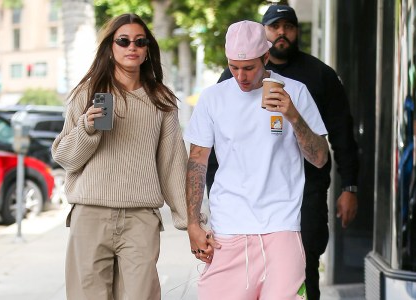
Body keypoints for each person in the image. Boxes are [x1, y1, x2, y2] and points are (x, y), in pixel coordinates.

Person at [207, 5, 359, 300]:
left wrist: (349, 186)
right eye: (274, 26)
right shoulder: (234, 76)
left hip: (307, 196)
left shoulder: (318, 77)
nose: (281, 33)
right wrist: (216, 202)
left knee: (304, 275)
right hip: (245, 208)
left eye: (288, 26)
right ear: (262, 37)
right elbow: (216, 149)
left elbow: (342, 134)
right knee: (244, 283)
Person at [184, 20, 329, 299]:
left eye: (249, 67)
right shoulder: (213, 98)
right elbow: (197, 162)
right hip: (228, 232)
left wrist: (293, 116)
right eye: (233, 67)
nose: (240, 76)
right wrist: (193, 223)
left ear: (265, 57)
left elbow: (320, 158)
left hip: (281, 230)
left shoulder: (296, 92)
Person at [51, 13, 188, 300]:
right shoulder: (87, 94)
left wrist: (190, 221)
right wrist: (87, 127)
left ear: (148, 48)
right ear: (110, 48)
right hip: (90, 214)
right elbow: (65, 157)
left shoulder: (161, 100)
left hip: (140, 219)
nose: (132, 47)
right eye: (123, 40)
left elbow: (173, 165)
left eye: (140, 41)